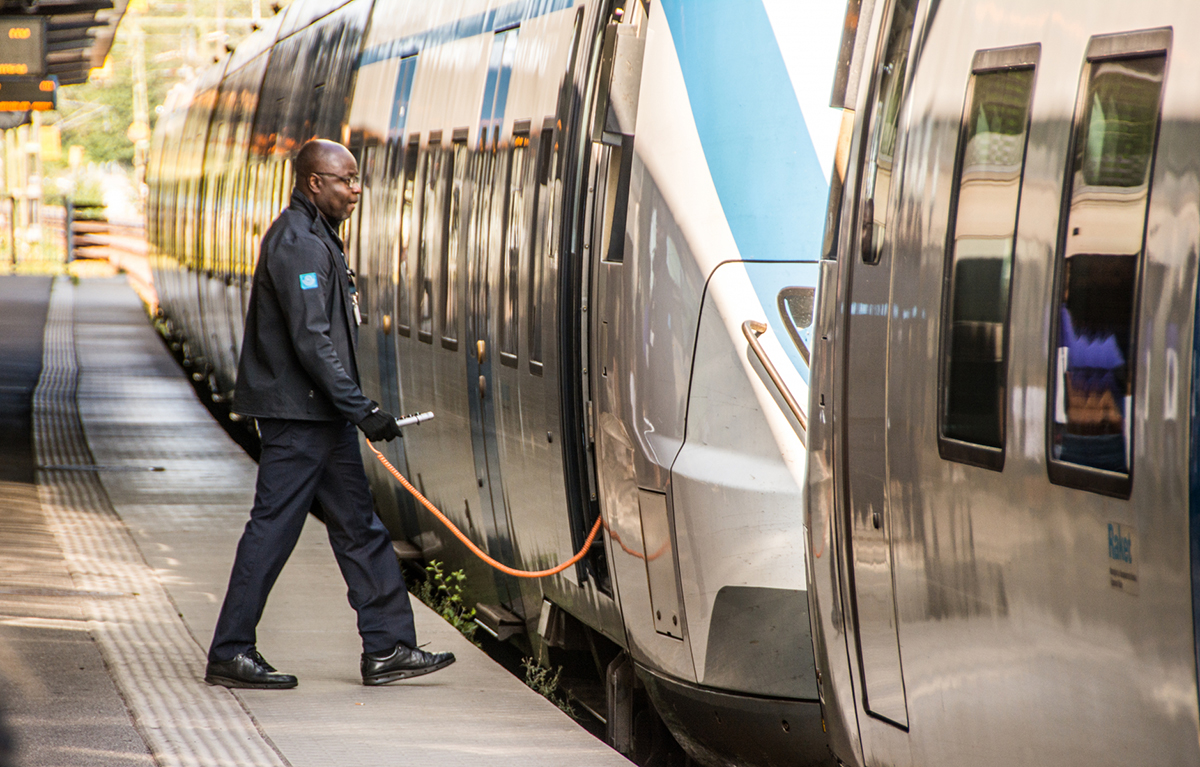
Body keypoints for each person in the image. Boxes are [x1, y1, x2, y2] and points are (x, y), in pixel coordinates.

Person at [205, 138, 454, 689]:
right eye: (346, 179)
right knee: (272, 531)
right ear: (315, 182)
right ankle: (230, 650)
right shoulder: (297, 243)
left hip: (320, 418)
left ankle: (389, 648)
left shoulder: (317, 237)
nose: (356, 189)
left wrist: (350, 412)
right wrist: (361, 408)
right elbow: (312, 341)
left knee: (360, 527)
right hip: (301, 419)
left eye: (357, 178)